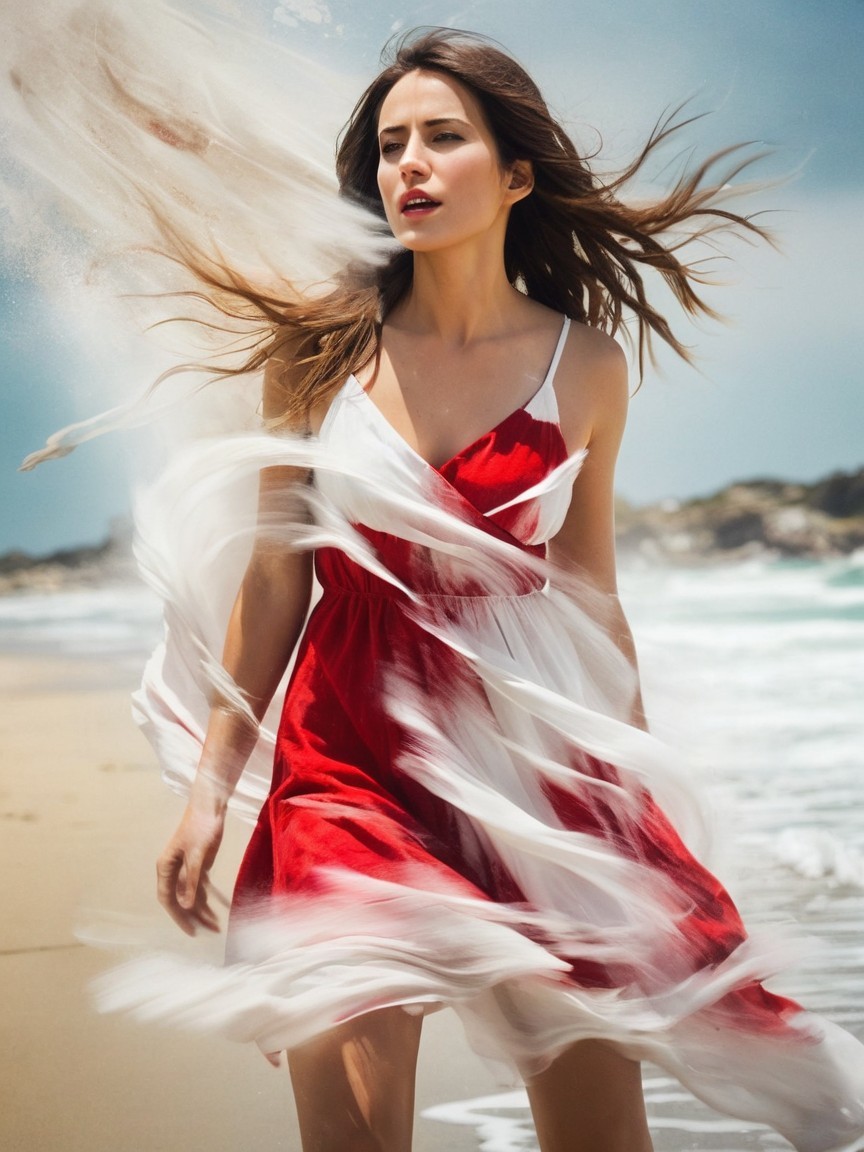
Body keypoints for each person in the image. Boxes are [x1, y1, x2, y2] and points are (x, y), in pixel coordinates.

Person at [85, 26, 864, 1152]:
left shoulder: (585, 366)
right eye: (391, 145)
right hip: (338, 766)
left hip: (528, 767)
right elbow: (275, 580)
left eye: (443, 138)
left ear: (514, 175)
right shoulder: (314, 358)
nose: (410, 163)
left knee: (598, 1135)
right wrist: (212, 787)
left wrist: (630, 798)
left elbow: (587, 594)